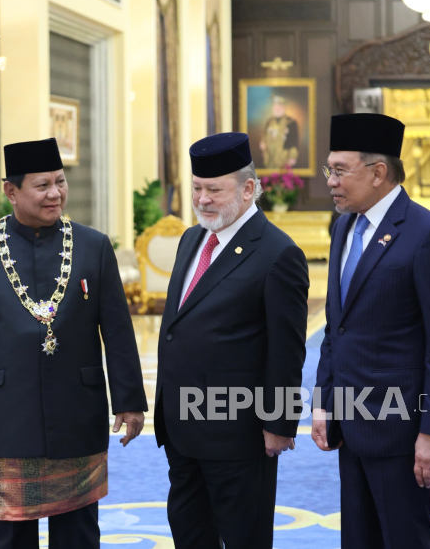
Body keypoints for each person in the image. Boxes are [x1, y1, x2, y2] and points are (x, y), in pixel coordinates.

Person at [0, 138, 148, 549]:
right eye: (42, 185)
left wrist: (129, 400)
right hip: (4, 417)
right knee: (9, 535)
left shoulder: (93, 245)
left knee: (79, 535)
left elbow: (118, 331)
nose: (55, 194)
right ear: (11, 191)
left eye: (60, 182)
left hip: (76, 412)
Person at [311, 113, 430, 549]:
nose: (331, 181)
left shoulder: (429, 235)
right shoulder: (343, 226)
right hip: (350, 426)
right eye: (329, 170)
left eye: (340, 170)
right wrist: (324, 401)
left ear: (379, 172)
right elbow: (335, 327)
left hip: (402, 434)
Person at [155, 132, 309, 548]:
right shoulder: (192, 239)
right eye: (197, 189)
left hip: (238, 436)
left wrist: (280, 423)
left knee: (244, 539)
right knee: (190, 536)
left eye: (214, 190)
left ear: (247, 189)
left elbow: (288, 349)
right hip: (182, 431)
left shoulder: (278, 253)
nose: (202, 199)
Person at [259, 95, 299, 169]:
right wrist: (263, 143)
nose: (277, 108)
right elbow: (264, 138)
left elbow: (294, 142)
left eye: (279, 106)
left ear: (284, 107)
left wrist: (292, 157)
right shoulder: (269, 122)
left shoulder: (291, 123)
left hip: (284, 159)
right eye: (275, 106)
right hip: (270, 159)